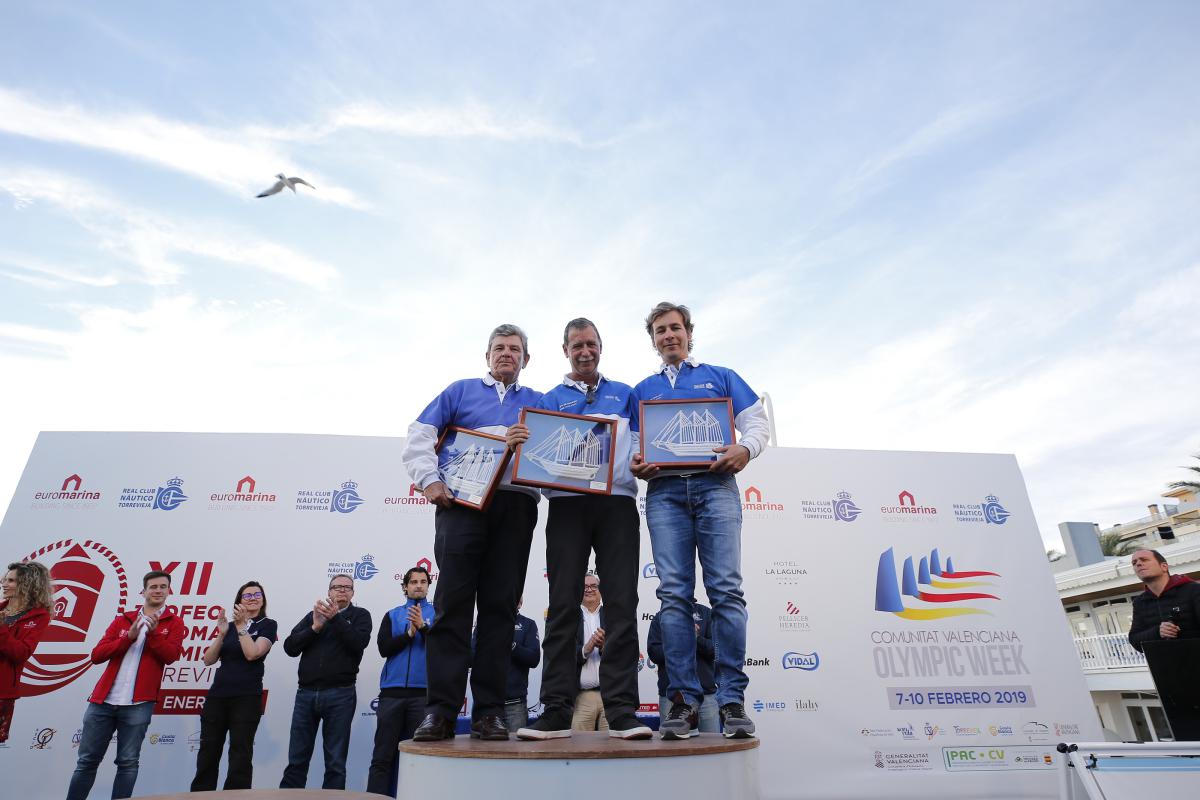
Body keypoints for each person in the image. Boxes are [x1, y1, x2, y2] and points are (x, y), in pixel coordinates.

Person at [630, 301, 770, 740]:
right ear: (653, 340)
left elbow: (757, 425)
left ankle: (731, 700)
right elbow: (632, 444)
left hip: (716, 486)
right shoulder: (643, 389)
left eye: (675, 327)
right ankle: (683, 700)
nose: (668, 335)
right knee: (673, 595)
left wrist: (745, 449)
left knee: (725, 591)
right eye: (660, 330)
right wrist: (637, 462)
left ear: (689, 333)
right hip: (664, 492)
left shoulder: (722, 376)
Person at [402, 324, 543, 742]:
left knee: (500, 610)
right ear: (487, 356)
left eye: (514, 349)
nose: (506, 354)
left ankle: (489, 713)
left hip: (516, 504)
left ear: (526, 359)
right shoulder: (459, 391)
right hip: (462, 504)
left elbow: (559, 449)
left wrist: (527, 446)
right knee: (452, 607)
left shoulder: (540, 401)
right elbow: (419, 436)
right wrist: (429, 480)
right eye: (499, 348)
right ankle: (440, 711)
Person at [513, 318, 648, 741]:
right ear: (566, 350)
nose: (584, 351)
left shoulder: (625, 393)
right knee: (562, 605)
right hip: (567, 505)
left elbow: (642, 443)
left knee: (622, 603)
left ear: (600, 347)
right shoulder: (549, 399)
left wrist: (642, 461)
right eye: (577, 345)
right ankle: (555, 709)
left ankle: (622, 711)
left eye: (591, 343)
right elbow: (536, 454)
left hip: (617, 503)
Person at [66, 570, 185, 800]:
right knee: (86, 762)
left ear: (169, 591)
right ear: (143, 591)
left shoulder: (175, 622)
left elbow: (171, 656)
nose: (158, 590)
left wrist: (154, 635)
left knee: (128, 763)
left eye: (163, 586)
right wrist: (128, 637)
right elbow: (97, 655)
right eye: (153, 586)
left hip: (138, 705)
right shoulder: (124, 619)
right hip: (102, 703)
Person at [280, 574, 372, 790]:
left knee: (335, 763)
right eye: (337, 587)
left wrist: (336, 618)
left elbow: (358, 643)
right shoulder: (313, 616)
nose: (342, 590)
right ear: (329, 591)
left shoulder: (360, 615)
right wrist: (314, 628)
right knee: (296, 761)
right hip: (306, 694)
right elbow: (290, 647)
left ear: (353, 593)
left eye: (347, 587)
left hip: (340, 695)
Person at [190, 580, 277, 791]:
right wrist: (221, 634)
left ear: (263, 600)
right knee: (208, 752)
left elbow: (252, 653)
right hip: (218, 696)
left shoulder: (268, 624)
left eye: (257, 595)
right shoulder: (228, 627)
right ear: (240, 601)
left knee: (240, 754)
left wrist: (240, 627)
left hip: (247, 697)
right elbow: (208, 660)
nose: (253, 598)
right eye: (247, 595)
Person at [367, 566, 435, 797]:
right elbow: (384, 648)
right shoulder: (392, 614)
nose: (418, 586)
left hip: (423, 695)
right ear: (405, 586)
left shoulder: (438, 614)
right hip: (391, 695)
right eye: (413, 582)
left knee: (418, 759)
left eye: (423, 582)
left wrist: (423, 627)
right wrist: (408, 635)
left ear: (428, 586)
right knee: (382, 757)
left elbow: (443, 648)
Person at [0, 561, 53, 743]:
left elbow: (21, 653)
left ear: (27, 585)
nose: (4, 584)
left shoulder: (39, 616)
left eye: (11, 581)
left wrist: (1, 629)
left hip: (3, 693)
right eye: (5, 579)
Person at [647, 602, 719, 732]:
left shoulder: (706, 613)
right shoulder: (660, 617)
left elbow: (716, 650)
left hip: (706, 695)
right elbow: (654, 654)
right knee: (672, 743)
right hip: (671, 696)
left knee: (711, 741)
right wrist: (677, 640)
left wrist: (696, 638)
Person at [1128, 549, 1200, 651]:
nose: (1138, 564)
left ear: (1164, 566)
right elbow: (1135, 640)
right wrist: (1157, 632)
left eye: (1144, 560)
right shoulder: (1140, 602)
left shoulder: (1193, 590)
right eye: (1134, 563)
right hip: (1161, 661)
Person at [503, 598, 540, 734]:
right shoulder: (485, 622)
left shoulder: (528, 624)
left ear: (520, 603)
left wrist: (513, 646)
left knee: (514, 747)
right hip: (486, 706)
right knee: (482, 747)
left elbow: (534, 659)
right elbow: (472, 656)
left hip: (515, 706)